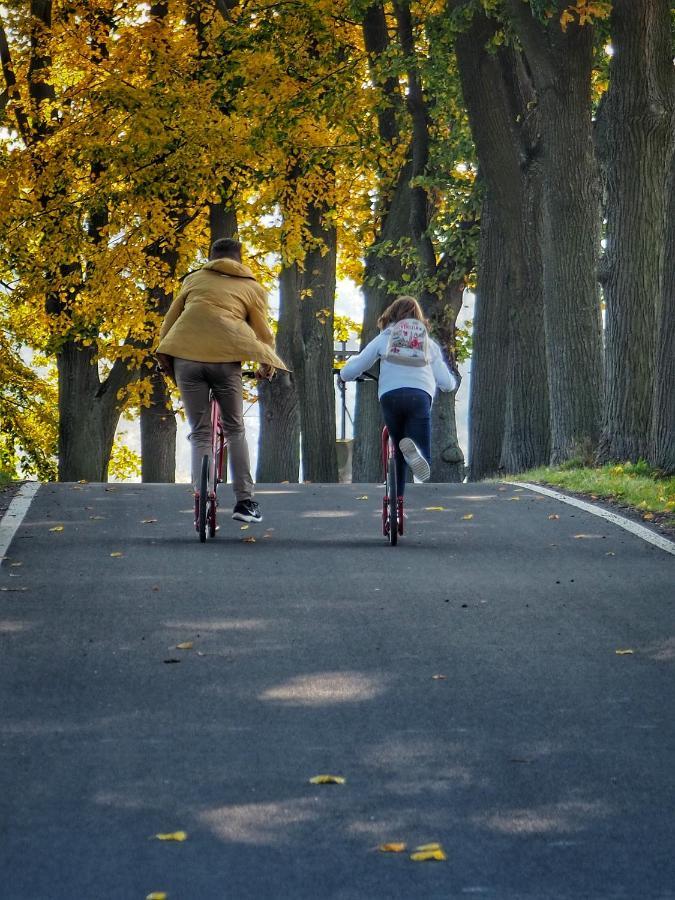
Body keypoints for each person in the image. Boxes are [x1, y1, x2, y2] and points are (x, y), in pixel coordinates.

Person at [156, 237, 288, 524]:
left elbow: (170, 320)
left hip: (186, 358)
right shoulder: (253, 288)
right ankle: (245, 501)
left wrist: (163, 356)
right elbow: (263, 332)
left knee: (200, 432)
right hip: (226, 360)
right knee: (235, 428)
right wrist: (266, 362)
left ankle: (201, 493)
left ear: (211, 257)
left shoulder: (193, 280)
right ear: (239, 259)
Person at [339, 295, 459, 500]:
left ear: (390, 316)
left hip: (391, 396)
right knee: (417, 449)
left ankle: (396, 502)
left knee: (397, 441)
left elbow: (358, 365)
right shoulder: (428, 344)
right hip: (419, 397)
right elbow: (446, 382)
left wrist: (343, 375)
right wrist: (450, 383)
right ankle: (420, 457)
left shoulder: (385, 338)